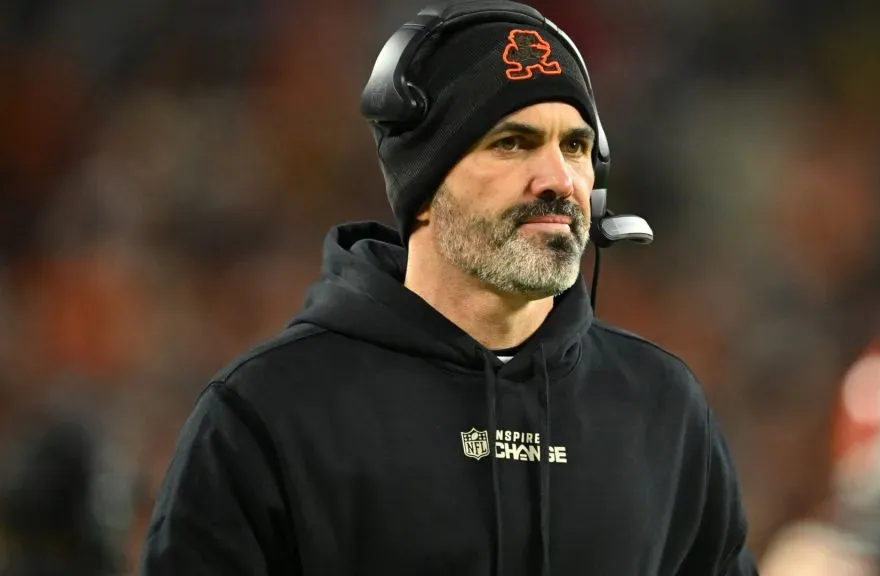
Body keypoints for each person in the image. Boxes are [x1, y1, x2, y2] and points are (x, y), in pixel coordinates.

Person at [140, 1, 759, 574]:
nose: (558, 179)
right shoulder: (268, 409)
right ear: (425, 186)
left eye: (574, 146)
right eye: (512, 143)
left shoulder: (663, 408)